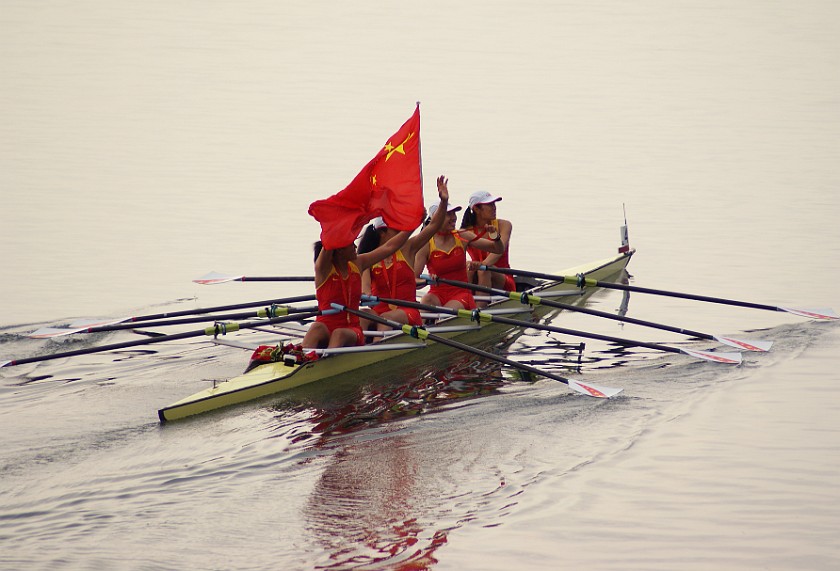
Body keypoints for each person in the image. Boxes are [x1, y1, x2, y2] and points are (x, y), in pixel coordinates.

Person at [357, 176, 452, 335]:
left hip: (408, 311)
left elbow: (434, 226)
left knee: (386, 318)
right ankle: (354, 350)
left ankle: (375, 350)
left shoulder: (408, 248)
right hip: (380, 311)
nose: (401, 232)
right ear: (382, 233)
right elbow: (365, 289)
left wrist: (443, 202)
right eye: (396, 229)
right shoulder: (369, 257)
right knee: (362, 316)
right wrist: (363, 295)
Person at [302, 229, 410, 349]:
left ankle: (326, 363)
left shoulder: (358, 264)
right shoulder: (323, 270)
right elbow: (329, 241)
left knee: (339, 333)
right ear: (339, 249)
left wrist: (411, 226)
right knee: (316, 327)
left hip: (351, 329)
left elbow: (389, 247)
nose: (355, 246)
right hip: (326, 326)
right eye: (351, 244)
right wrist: (335, 225)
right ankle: (300, 358)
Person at [414, 187, 504, 312]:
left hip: (461, 293)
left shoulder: (462, 235)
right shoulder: (426, 244)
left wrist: (494, 235)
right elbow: (414, 279)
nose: (454, 217)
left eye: (454, 213)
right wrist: (427, 280)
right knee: (425, 302)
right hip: (436, 293)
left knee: (447, 311)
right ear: (436, 219)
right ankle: (421, 327)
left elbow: (498, 249)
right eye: (448, 214)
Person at [460, 190, 515, 301]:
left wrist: (482, 264)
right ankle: (464, 301)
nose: (494, 207)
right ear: (476, 209)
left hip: (504, 280)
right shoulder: (465, 232)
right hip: (476, 275)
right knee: (467, 267)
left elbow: (498, 251)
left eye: (494, 204)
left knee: (483, 269)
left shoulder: (504, 225)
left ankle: (479, 308)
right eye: (490, 204)